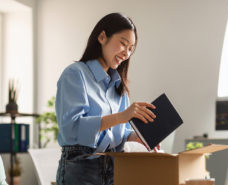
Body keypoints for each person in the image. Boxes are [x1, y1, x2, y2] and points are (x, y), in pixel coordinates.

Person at [55, 13, 159, 185]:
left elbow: (118, 132)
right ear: (102, 37)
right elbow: (71, 129)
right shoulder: (75, 74)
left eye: (131, 48)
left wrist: (137, 137)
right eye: (123, 44)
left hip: (113, 170)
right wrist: (122, 116)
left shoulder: (119, 86)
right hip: (81, 169)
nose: (126, 53)